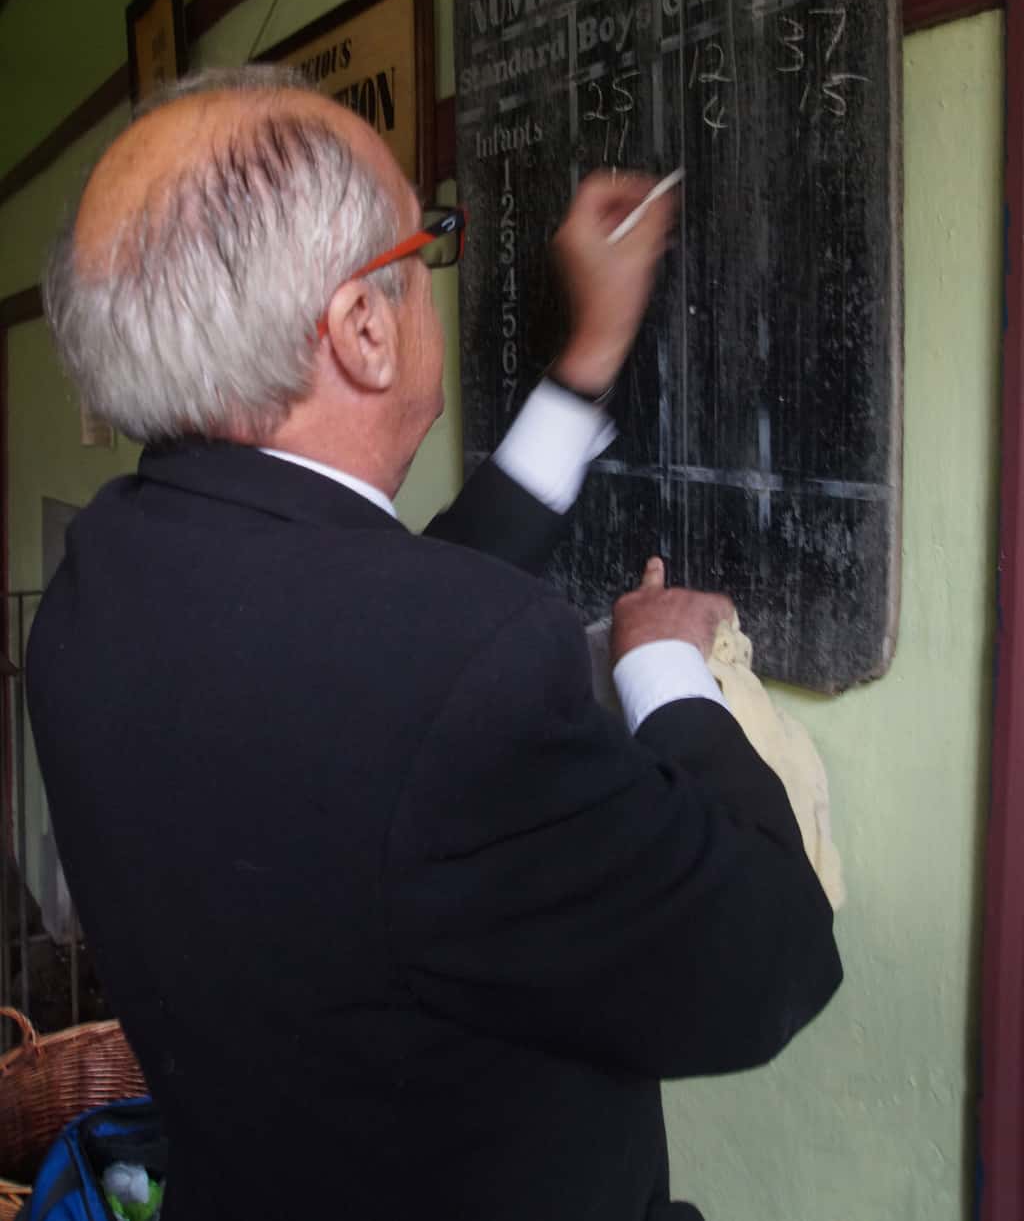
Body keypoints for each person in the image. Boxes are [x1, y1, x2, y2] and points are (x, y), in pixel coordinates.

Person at [26, 67, 841, 1221]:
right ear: (362, 327)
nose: (431, 278)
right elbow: (765, 956)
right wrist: (664, 662)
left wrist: (590, 354)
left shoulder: (98, 589)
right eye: (428, 242)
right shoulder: (450, 666)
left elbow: (382, 614)